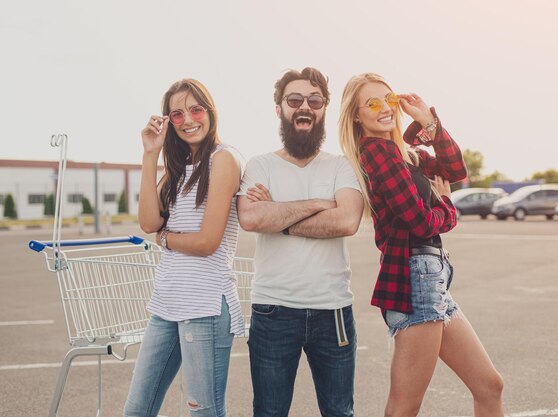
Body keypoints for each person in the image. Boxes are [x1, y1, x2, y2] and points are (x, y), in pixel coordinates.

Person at [338, 73, 504, 417]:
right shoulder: (376, 154)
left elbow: (455, 170)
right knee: (404, 407)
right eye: (372, 103)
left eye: (389, 99)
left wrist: (429, 122)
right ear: (356, 116)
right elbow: (420, 222)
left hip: (433, 277)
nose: (384, 108)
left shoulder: (402, 152)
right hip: (416, 278)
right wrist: (447, 207)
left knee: (489, 387)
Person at [237, 67, 364, 417]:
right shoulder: (259, 165)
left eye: (314, 100)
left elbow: (347, 220)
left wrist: (279, 215)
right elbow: (251, 218)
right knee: (269, 412)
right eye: (294, 100)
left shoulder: (342, 165)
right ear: (279, 108)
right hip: (273, 310)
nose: (304, 106)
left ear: (323, 109)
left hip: (333, 309)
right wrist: (318, 204)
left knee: (340, 412)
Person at [124, 78, 244, 417]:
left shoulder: (225, 159)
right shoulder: (176, 170)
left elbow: (207, 242)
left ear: (210, 111)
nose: (189, 120)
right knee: (137, 410)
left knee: (203, 412)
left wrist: (166, 239)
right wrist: (150, 154)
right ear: (168, 122)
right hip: (167, 303)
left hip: (205, 306)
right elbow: (148, 222)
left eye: (195, 109)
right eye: (177, 114)